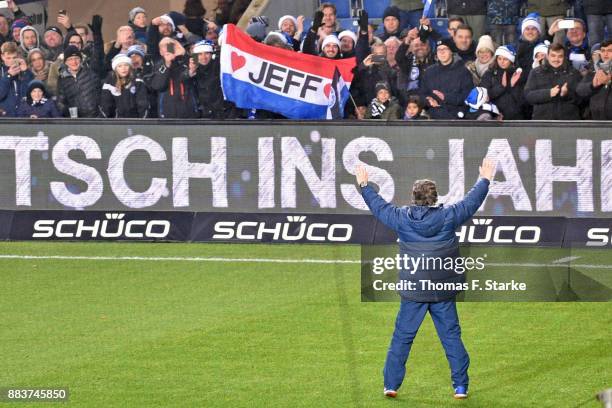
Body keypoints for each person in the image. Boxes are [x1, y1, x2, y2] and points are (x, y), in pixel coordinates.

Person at [355, 158, 496, 400]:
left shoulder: (401, 217)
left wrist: (365, 186)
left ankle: (391, 385)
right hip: (442, 288)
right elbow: (472, 202)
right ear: (435, 197)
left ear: (414, 197)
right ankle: (460, 386)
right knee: (451, 337)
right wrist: (484, 180)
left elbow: (379, 208)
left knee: (402, 338)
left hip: (414, 290)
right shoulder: (449, 216)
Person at [524, 43, 583, 120]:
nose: (556, 59)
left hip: (568, 122)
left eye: (560, 56)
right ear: (547, 56)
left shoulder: (574, 73)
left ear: (564, 57)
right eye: (553, 56)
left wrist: (566, 94)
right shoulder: (536, 72)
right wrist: (548, 93)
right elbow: (529, 96)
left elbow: (581, 99)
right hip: (542, 123)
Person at [420, 38, 474, 119]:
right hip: (433, 115)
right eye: (439, 50)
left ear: (451, 51)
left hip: (456, 116)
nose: (442, 52)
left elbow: (468, 97)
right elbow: (422, 94)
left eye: (445, 49)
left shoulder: (463, 72)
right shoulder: (429, 72)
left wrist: (446, 97)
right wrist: (428, 100)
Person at [150, 38, 198, 118]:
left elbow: (197, 65)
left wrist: (184, 53)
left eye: (171, 45)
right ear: (161, 52)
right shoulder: (157, 65)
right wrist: (167, 64)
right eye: (164, 46)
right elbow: (157, 86)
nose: (168, 47)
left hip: (189, 111)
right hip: (167, 113)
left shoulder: (185, 59)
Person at [481, 45, 528, 119]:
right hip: (494, 117)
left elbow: (523, 101)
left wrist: (512, 86)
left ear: (511, 60)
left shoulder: (518, 75)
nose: (502, 62)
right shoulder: (489, 74)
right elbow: (483, 96)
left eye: (505, 59)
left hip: (515, 118)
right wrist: (501, 87)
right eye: (499, 59)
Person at [56, 45, 101, 118]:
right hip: (77, 120)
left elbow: (101, 95)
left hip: (96, 118)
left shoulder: (91, 73)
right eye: (70, 59)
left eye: (76, 58)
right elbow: (60, 103)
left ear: (81, 60)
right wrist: (69, 113)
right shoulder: (62, 79)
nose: (74, 62)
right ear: (66, 62)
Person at [577, 40, 611, 120]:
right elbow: (579, 91)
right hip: (596, 120)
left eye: (609, 51)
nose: (605, 54)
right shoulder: (593, 71)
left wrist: (609, 82)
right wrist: (592, 86)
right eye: (603, 51)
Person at [0, 41, 33, 117]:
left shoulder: (25, 70)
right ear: (2, 56)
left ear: (18, 56)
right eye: (8, 58)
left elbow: (31, 93)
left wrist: (26, 72)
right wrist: (8, 76)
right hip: (4, 118)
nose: (11, 61)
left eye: (14, 57)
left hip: (23, 116)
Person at [516, 13, 544, 77]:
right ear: (523, 32)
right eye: (527, 29)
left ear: (538, 31)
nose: (530, 32)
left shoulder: (543, 47)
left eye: (533, 29)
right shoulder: (516, 48)